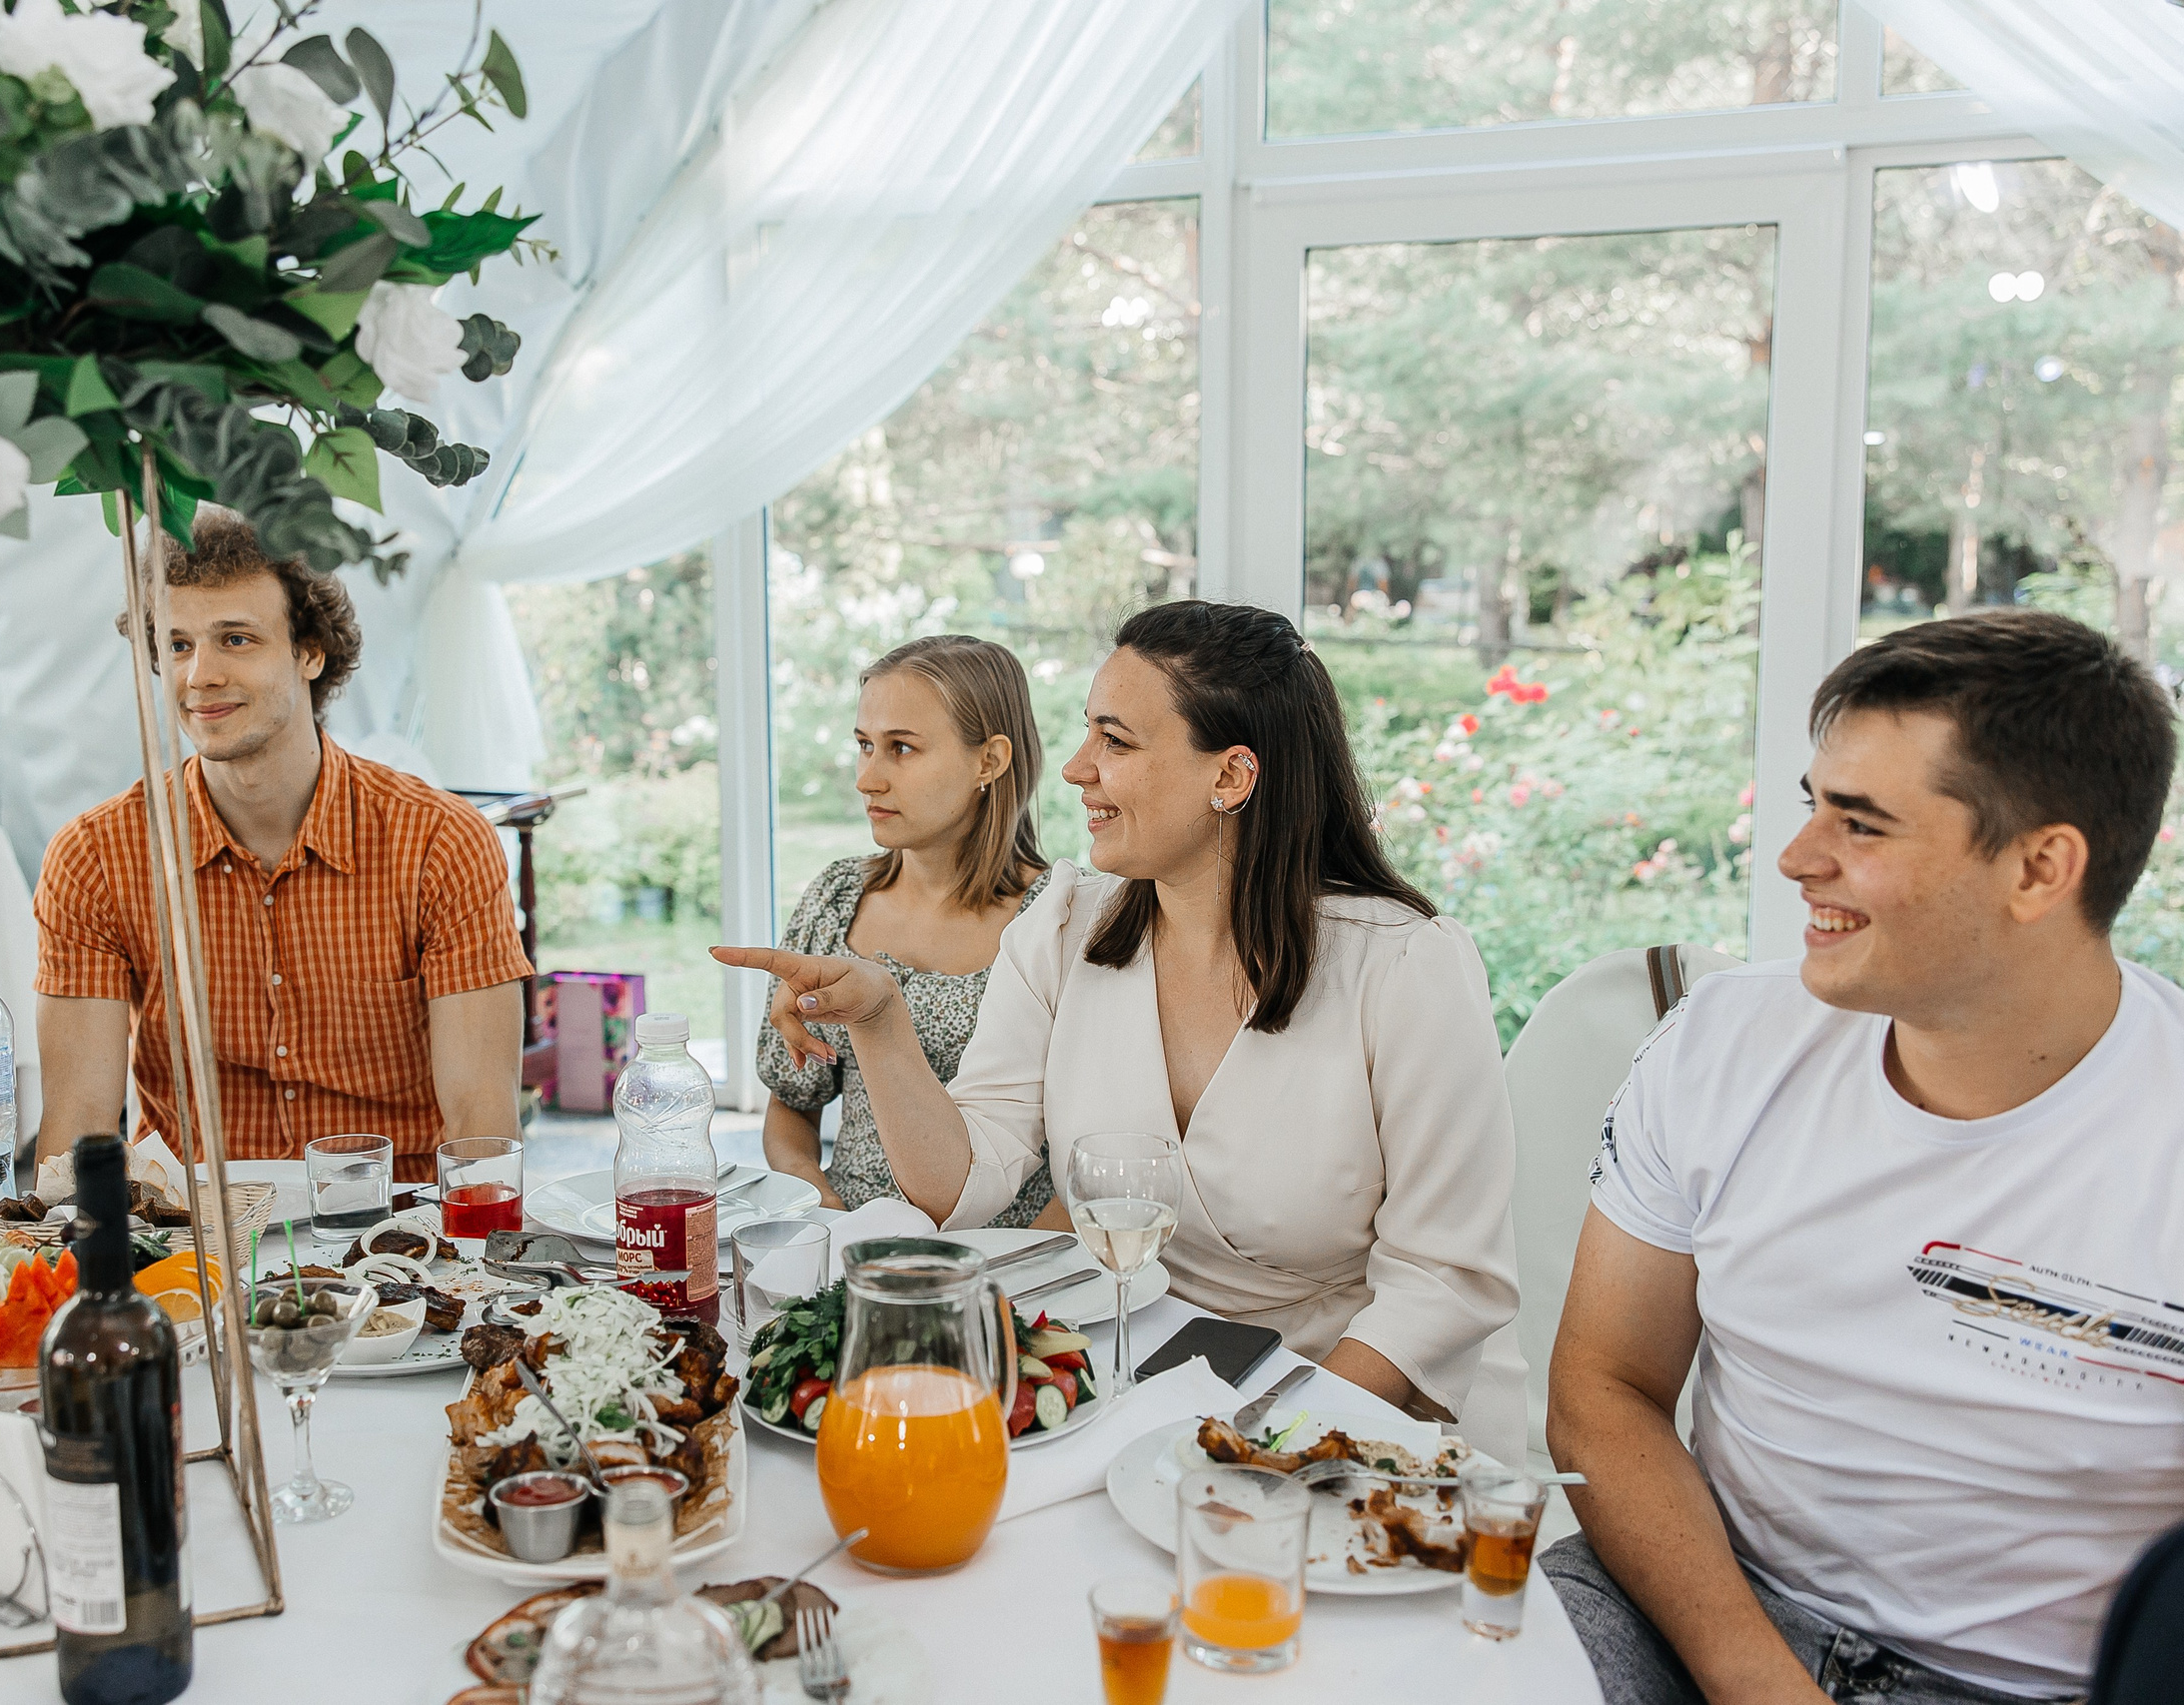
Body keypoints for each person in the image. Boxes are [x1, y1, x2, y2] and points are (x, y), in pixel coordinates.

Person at [1545, 609, 2184, 1705]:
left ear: (2040, 868)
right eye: (1811, 805)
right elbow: (1604, 1386)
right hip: (1699, 1607)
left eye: (1862, 824)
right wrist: (1753, 1675)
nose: (1797, 859)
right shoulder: (1722, 1043)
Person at [718, 601, 1518, 1423]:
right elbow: (963, 1181)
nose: (1073, 767)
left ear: (1231, 776)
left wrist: (1271, 1431)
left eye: (1116, 740)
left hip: (1349, 1400)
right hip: (1135, 1373)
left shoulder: (1405, 966)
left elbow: (1443, 1279)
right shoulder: (1066, 927)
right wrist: (881, 1019)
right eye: (1086, 733)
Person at [33, 508, 531, 1178]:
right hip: (193, 1246)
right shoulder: (94, 858)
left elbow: (481, 1133)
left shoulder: (441, 843)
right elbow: (75, 1140)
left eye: (235, 639)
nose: (199, 675)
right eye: (178, 644)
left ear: (310, 652)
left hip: (400, 1240)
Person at [757, 635, 1058, 1226]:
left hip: (1004, 1268)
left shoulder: (1057, 922)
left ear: (990, 761)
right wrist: (822, 1207)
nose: (868, 779)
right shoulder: (837, 899)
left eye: (901, 748)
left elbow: (1086, 1161)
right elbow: (792, 1107)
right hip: (853, 1247)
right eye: (865, 746)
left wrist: (1013, 1292)